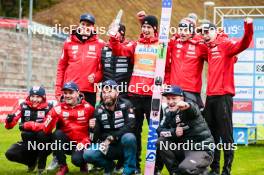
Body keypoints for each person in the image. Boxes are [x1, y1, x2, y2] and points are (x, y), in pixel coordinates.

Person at [199, 18, 254, 175]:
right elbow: (196, 42)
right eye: (203, 33)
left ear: (216, 32)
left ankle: (226, 170)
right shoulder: (208, 48)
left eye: (208, 31)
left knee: (226, 136)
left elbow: (244, 43)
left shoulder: (225, 44)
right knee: (212, 136)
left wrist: (248, 26)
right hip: (210, 98)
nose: (205, 35)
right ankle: (214, 169)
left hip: (223, 96)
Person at [109, 13, 159, 172]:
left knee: (156, 132)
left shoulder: (161, 45)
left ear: (155, 29)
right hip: (135, 95)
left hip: (152, 96)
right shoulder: (135, 44)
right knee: (134, 132)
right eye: (143, 26)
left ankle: (156, 167)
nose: (145, 29)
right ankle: (135, 166)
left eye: (148, 27)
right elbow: (119, 50)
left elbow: (168, 68)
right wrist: (113, 38)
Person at [28, 82, 95, 175]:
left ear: (78, 93)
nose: (67, 95)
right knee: (57, 134)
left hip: (82, 143)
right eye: (65, 93)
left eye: (70, 93)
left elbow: (96, 129)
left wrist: (87, 140)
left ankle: (83, 164)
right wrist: (29, 124)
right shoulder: (58, 108)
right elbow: (46, 128)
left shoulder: (88, 108)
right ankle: (63, 166)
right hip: (66, 144)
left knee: (77, 160)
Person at [156, 85, 214, 175]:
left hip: (202, 150)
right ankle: (175, 173)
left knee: (185, 169)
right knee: (161, 141)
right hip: (184, 149)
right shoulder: (168, 112)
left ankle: (203, 172)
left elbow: (193, 109)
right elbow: (159, 130)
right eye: (168, 99)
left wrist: (186, 105)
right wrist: (173, 132)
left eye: (174, 98)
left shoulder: (188, 108)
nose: (170, 102)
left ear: (181, 98)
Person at [83, 80, 137, 175]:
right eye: (104, 92)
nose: (106, 95)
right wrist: (92, 128)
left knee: (129, 137)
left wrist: (113, 137)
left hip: (122, 145)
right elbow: (95, 138)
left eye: (109, 91)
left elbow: (130, 126)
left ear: (117, 92)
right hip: (107, 145)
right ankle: (109, 166)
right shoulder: (98, 110)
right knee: (88, 154)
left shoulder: (126, 105)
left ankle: (129, 170)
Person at [55, 13, 105, 106]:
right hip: (70, 90)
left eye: (88, 25)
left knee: (88, 120)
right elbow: (61, 68)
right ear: (79, 25)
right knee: (67, 119)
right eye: (83, 24)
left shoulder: (100, 44)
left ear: (93, 28)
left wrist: (96, 77)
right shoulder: (68, 42)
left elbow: (104, 68)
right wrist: (58, 89)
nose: (85, 27)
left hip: (89, 91)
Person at [5, 86, 53, 175]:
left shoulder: (49, 107)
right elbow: (9, 126)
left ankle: (41, 167)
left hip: (46, 144)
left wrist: (28, 125)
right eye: (33, 96)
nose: (34, 99)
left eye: (38, 97)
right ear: (29, 96)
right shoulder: (23, 106)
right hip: (28, 142)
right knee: (10, 153)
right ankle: (31, 162)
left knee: (42, 134)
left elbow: (47, 126)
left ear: (43, 97)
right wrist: (9, 121)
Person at [165, 13, 207, 109]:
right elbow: (163, 53)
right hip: (174, 89)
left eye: (186, 30)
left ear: (192, 31)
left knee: (192, 119)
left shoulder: (200, 45)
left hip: (191, 90)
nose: (182, 33)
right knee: (174, 120)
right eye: (180, 30)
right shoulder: (174, 43)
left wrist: (231, 57)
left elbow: (213, 58)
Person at [101, 23, 134, 98]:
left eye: (116, 32)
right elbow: (101, 71)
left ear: (122, 34)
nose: (114, 34)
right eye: (112, 32)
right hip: (107, 92)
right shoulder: (104, 49)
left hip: (124, 92)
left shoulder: (129, 48)